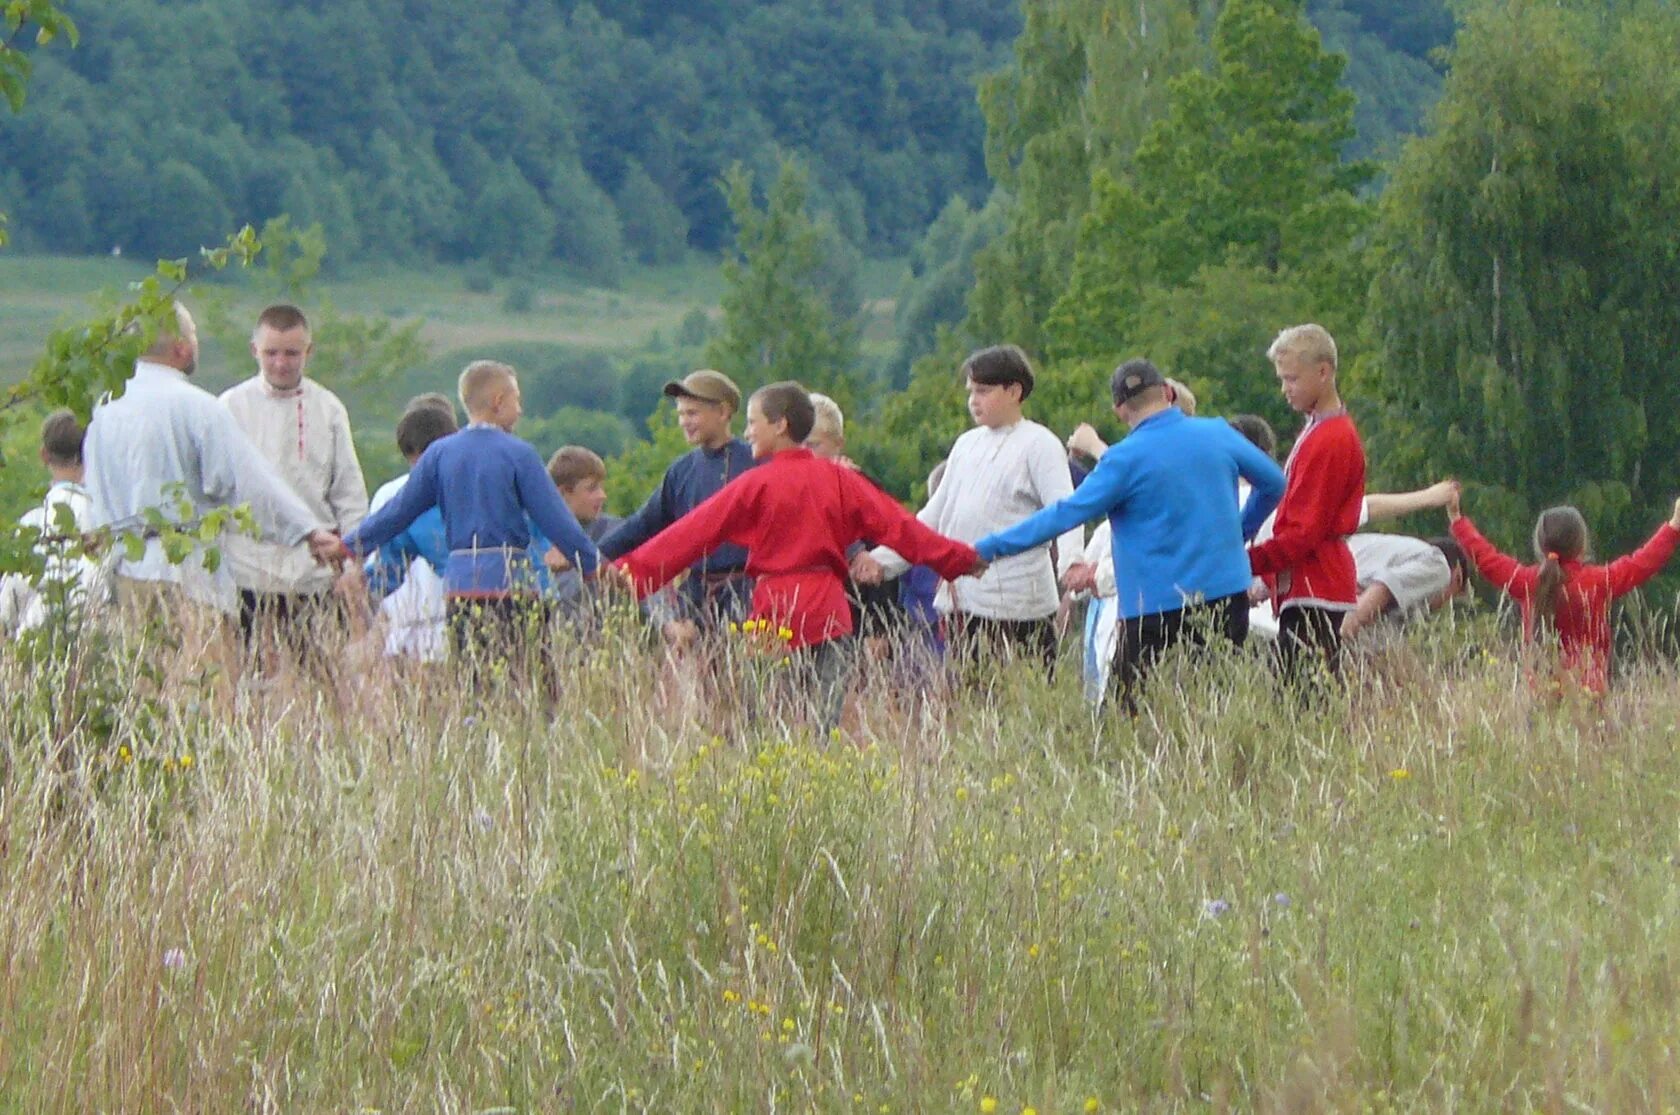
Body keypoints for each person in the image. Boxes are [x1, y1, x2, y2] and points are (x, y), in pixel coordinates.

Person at [617, 381, 984, 730]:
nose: (747, 433)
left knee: (766, 726)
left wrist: (627, 572)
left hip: (773, 613)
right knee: (821, 729)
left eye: (753, 422)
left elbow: (691, 534)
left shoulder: (754, 483)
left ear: (780, 425)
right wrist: (959, 559)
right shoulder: (839, 479)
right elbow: (901, 527)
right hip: (829, 611)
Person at [976, 359, 1286, 708]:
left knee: (1129, 712)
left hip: (1153, 605)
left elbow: (1064, 514)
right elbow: (1274, 483)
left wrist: (989, 548)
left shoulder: (1122, 459)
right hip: (1225, 594)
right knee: (1216, 707)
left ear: (1120, 410)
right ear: (1168, 393)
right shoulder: (1217, 433)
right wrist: (1240, 530)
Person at [83, 303, 341, 636]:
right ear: (181, 346)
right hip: (184, 577)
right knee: (202, 681)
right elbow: (247, 479)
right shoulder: (196, 406)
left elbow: (94, 490)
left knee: (143, 683)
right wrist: (307, 531)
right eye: (193, 334)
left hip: (126, 574)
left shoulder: (106, 407)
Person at [340, 361, 601, 652]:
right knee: (529, 682)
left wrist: (350, 545)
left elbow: (398, 512)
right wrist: (591, 564)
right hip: (516, 587)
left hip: (462, 588)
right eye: (517, 399)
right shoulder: (519, 454)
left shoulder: (440, 454)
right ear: (498, 402)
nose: (521, 409)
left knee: (475, 682)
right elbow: (557, 520)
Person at [855, 345, 1084, 669]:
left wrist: (1071, 563)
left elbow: (1066, 512)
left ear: (1014, 391)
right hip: (965, 601)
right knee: (971, 701)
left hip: (1021, 604)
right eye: (971, 391)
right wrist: (883, 561)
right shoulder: (966, 444)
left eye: (984, 391)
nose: (973, 400)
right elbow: (932, 519)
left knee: (1023, 700)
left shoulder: (1040, 444)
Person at [221, 304, 369, 650]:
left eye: (291, 353)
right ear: (254, 350)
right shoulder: (230, 408)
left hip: (312, 577)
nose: (281, 363)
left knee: (318, 683)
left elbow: (348, 494)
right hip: (247, 572)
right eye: (271, 353)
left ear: (308, 352)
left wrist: (354, 561)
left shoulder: (329, 409)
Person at [1447, 485, 1680, 695]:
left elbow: (1486, 557)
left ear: (1539, 544)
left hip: (1542, 694)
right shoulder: (1598, 581)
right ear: (1582, 544)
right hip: (1590, 694)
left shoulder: (1526, 582)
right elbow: (1643, 563)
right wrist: (1674, 526)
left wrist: (1457, 519)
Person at [598, 370, 759, 648]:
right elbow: (644, 525)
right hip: (696, 596)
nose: (684, 422)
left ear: (722, 412)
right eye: (681, 414)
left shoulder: (756, 464)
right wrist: (595, 555)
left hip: (748, 593)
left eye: (693, 413)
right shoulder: (681, 471)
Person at [1246, 324, 1366, 681]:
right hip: (1308, 582)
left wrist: (1248, 563)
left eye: (1292, 379)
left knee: (1302, 695)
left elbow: (1304, 530)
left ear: (1324, 372)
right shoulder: (1321, 430)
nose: (1285, 389)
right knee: (1301, 689)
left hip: (1317, 586)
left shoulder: (1331, 439)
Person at [360, 396, 459, 662]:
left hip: (412, 628)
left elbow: (379, 571)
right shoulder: (396, 495)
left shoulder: (392, 494)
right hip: (423, 631)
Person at [0, 410, 105, 635]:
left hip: (33, 640)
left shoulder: (29, 527)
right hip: (93, 641)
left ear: (44, 455)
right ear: (89, 453)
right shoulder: (104, 523)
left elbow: (7, 608)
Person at [541, 445, 623, 612]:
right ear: (563, 493)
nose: (602, 495)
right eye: (592, 488)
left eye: (601, 487)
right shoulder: (538, 540)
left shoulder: (618, 532)